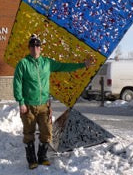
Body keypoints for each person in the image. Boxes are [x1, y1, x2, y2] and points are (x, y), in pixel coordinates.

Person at [13, 34, 92, 169]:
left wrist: (83, 64)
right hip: (29, 105)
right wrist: (21, 102)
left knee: (46, 131)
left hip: (44, 104)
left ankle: (42, 156)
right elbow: (17, 83)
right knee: (29, 133)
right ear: (29, 48)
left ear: (41, 48)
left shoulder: (47, 63)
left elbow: (64, 67)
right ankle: (31, 159)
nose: (35, 48)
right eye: (32, 45)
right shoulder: (23, 64)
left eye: (37, 45)